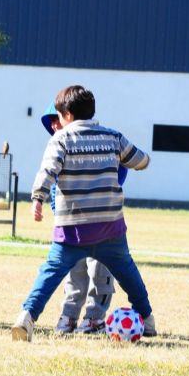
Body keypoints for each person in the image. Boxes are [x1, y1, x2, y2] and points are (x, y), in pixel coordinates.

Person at [12, 85, 155, 342]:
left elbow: (48, 171)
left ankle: (26, 318)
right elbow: (142, 161)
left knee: (50, 273)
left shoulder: (61, 139)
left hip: (72, 230)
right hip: (109, 227)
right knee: (128, 274)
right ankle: (148, 319)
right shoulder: (113, 137)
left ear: (67, 114)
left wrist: (37, 198)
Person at [40, 103, 122, 334]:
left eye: (56, 119)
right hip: (70, 225)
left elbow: (120, 171)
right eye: (51, 122)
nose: (55, 125)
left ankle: (95, 317)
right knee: (74, 272)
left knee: (99, 270)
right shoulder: (57, 149)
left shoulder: (98, 145)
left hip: (100, 223)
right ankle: (69, 316)